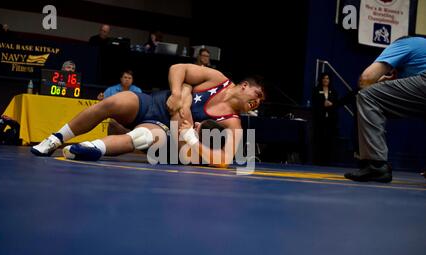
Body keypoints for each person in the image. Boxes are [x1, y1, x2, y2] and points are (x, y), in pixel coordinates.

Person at [31, 63, 265, 168]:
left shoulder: (234, 123)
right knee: (113, 102)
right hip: (155, 102)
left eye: (260, 102)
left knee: (142, 137)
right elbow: (177, 69)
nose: (257, 101)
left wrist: (191, 138)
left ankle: (91, 148)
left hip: (168, 132)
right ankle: (56, 138)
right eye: (257, 94)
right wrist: (177, 93)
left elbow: (223, 158)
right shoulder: (218, 79)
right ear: (244, 86)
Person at [344, 36, 426, 183]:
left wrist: (377, 83)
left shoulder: (403, 43)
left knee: (367, 96)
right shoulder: (421, 52)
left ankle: (376, 166)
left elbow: (366, 79)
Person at [312, 72, 339, 165]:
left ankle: (327, 161)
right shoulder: (316, 90)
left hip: (330, 119)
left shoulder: (333, 91)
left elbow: (336, 103)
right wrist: (322, 105)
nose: (325, 80)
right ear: (321, 79)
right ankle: (317, 160)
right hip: (319, 119)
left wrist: (331, 105)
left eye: (327, 78)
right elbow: (314, 104)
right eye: (324, 78)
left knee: (329, 140)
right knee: (319, 139)